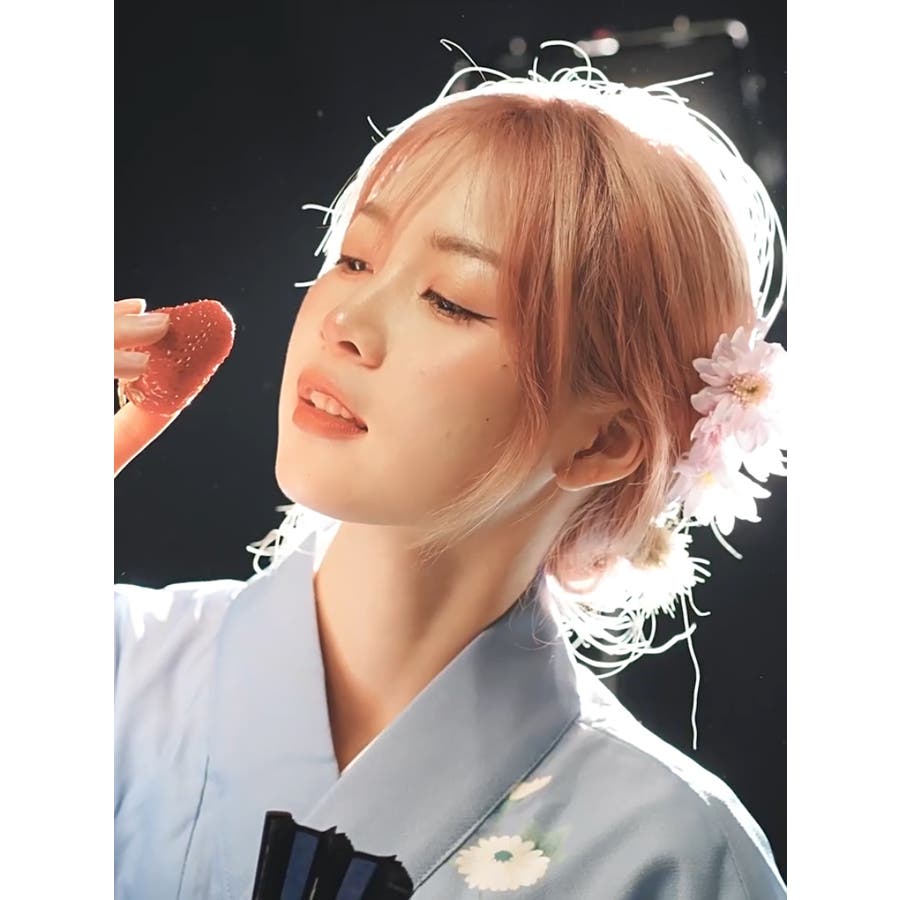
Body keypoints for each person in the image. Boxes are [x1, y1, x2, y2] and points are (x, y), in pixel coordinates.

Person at [114, 42, 787, 899]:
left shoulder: (670, 853)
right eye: (354, 260)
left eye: (451, 300)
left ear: (603, 442)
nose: (346, 321)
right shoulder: (100, 666)